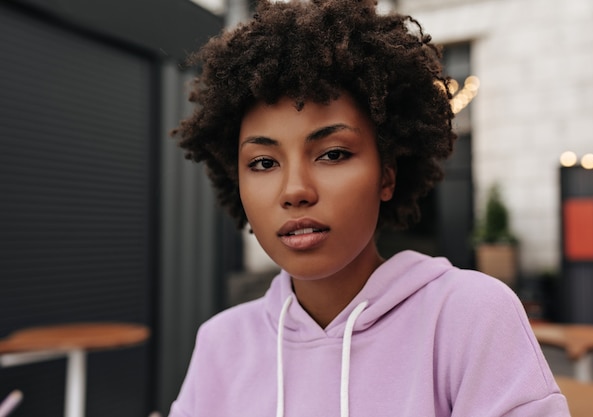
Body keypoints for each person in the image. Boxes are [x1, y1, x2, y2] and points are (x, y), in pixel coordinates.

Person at [168, 0, 571, 415]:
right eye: (264, 163)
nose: (295, 190)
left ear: (387, 176)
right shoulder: (222, 343)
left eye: (333, 154)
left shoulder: (469, 317)